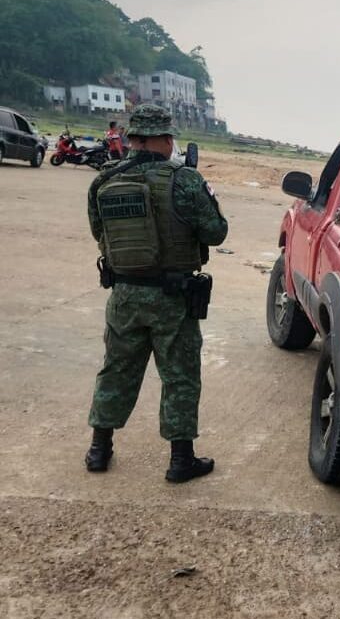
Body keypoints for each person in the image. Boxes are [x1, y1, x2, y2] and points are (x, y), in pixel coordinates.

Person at [85, 104, 228, 482]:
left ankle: (99, 449)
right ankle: (181, 461)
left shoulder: (103, 181)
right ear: (165, 139)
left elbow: (101, 237)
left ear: (132, 138)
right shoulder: (185, 180)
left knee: (116, 370)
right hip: (173, 299)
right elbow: (216, 232)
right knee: (180, 377)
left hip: (125, 295)